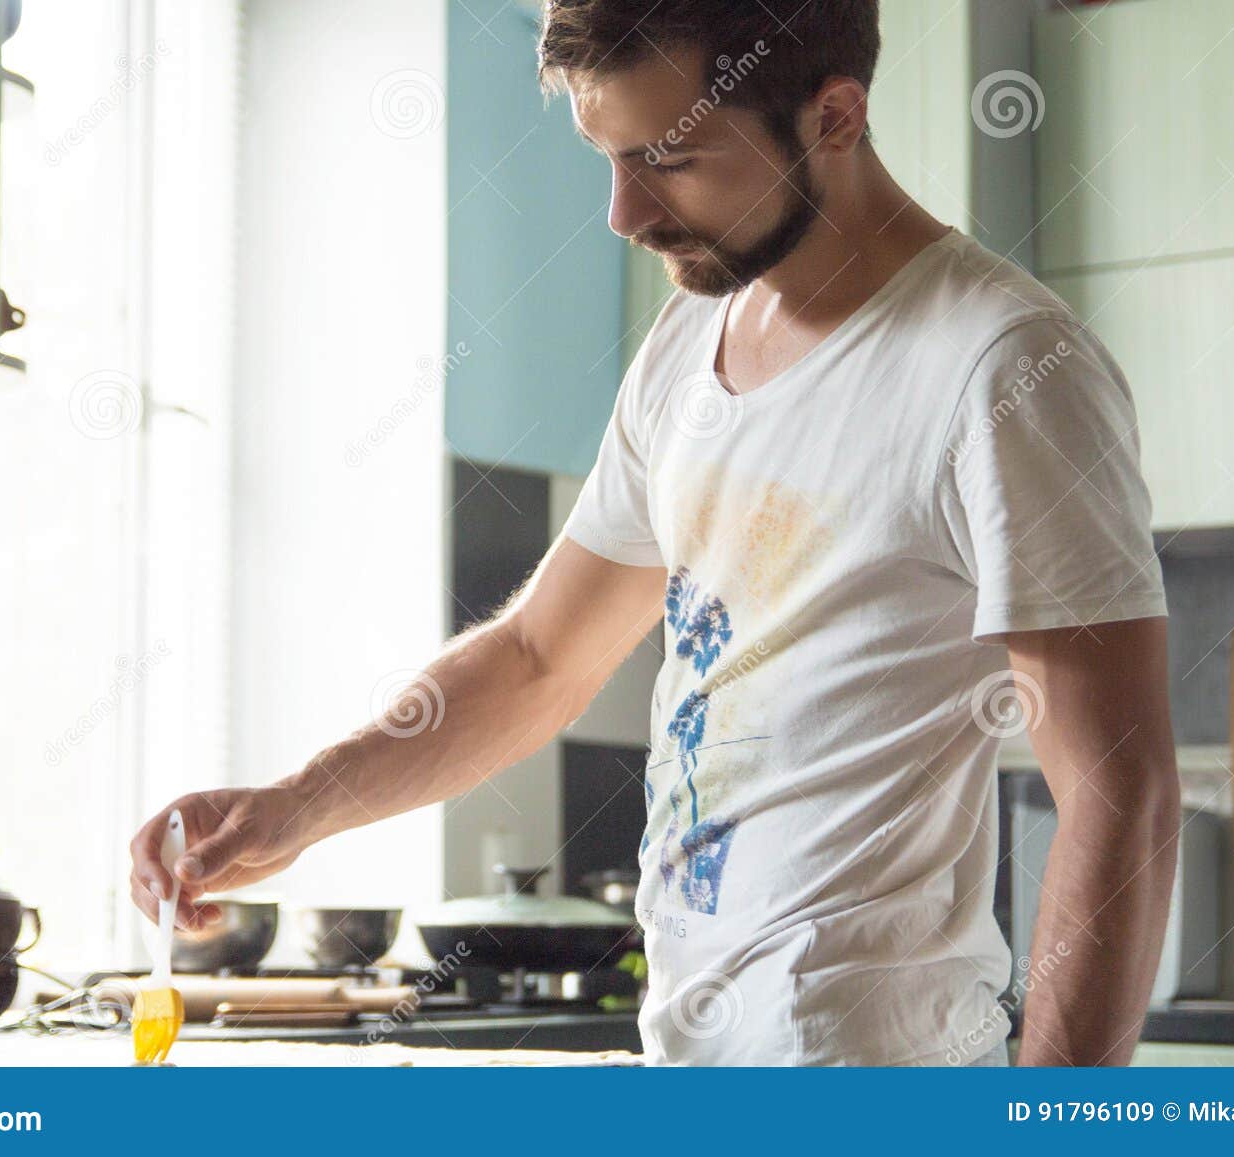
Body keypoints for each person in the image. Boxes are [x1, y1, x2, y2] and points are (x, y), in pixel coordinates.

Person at [132, 0, 1180, 1067]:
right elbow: (539, 656)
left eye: (671, 158)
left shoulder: (1001, 366)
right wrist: (292, 807)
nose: (624, 213)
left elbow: (1118, 789)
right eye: (609, 156)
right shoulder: (689, 338)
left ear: (834, 116)